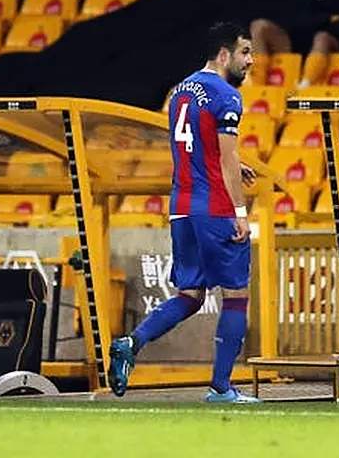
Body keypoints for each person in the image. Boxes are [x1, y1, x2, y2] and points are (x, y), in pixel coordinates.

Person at [108, 22, 260, 404]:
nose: (250, 61)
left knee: (191, 294)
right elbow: (224, 157)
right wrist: (240, 210)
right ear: (224, 55)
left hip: (182, 208)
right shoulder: (227, 96)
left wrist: (232, 163)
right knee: (237, 296)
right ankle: (221, 388)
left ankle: (132, 341)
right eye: (245, 52)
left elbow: (198, 145)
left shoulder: (179, 91)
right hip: (216, 209)